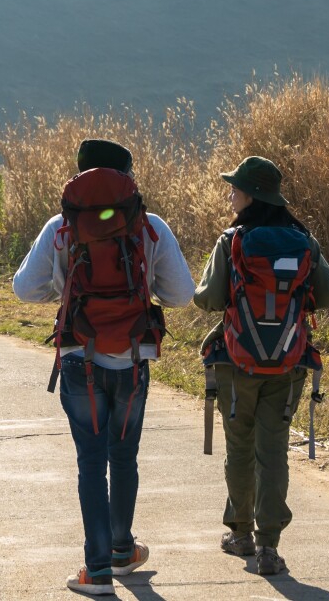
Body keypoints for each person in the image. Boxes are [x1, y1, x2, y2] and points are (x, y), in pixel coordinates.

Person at [14, 138, 196, 597]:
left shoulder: (61, 228)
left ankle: (96, 571)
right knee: (124, 455)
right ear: (128, 180)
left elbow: (23, 288)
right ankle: (121, 550)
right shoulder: (150, 227)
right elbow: (181, 295)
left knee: (90, 463)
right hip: (133, 360)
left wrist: (64, 292)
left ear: (79, 177)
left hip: (80, 360)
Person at [194, 155, 329, 576]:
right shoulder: (303, 240)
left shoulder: (232, 240)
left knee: (239, 448)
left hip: (236, 363)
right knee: (273, 452)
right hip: (288, 364)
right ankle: (269, 549)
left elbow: (206, 299)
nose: (230, 194)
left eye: (235, 189)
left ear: (251, 195)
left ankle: (240, 534)